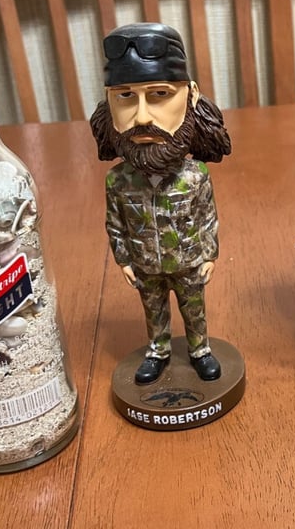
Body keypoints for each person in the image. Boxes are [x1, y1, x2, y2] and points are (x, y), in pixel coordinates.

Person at [89, 23, 231, 384]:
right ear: (108, 101)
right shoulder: (118, 181)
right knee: (153, 310)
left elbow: (207, 217)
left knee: (194, 309)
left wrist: (210, 254)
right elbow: (115, 224)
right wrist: (124, 259)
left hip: (188, 261)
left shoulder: (195, 176)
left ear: (191, 95)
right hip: (145, 263)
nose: (141, 117)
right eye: (124, 96)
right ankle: (158, 351)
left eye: (159, 94)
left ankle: (200, 350)